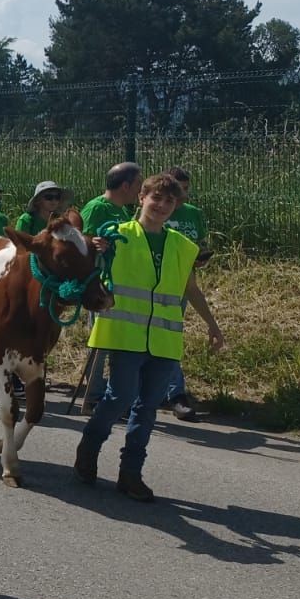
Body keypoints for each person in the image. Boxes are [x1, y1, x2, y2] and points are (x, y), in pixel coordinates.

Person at [74, 173, 225, 501]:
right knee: (120, 398)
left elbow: (190, 289)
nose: (161, 205)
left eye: (169, 201)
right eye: (156, 198)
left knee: (148, 408)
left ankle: (131, 473)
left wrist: (212, 324)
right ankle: (89, 448)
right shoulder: (116, 236)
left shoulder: (184, 247)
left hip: (165, 340)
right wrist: (96, 249)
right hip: (125, 335)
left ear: (176, 206)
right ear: (141, 198)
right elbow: (87, 263)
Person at [78, 163, 144, 411]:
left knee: (116, 342)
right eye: (138, 184)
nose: (140, 189)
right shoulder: (97, 208)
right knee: (101, 341)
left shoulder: (124, 212)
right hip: (101, 284)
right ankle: (93, 396)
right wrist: (92, 243)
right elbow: (79, 242)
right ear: (125, 185)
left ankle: (114, 395)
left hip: (120, 283)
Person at [160, 166, 211, 421]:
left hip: (182, 284)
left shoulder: (194, 214)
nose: (184, 196)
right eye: (179, 190)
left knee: (170, 336)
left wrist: (200, 257)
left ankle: (171, 392)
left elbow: (200, 243)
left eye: (187, 190)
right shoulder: (155, 212)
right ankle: (174, 393)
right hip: (154, 285)